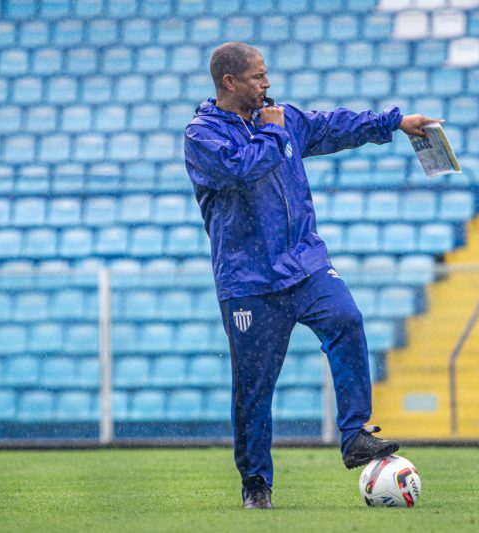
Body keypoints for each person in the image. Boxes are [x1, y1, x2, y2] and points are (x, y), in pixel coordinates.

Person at [183, 41, 438, 509]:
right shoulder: (202, 135)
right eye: (258, 76)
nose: (267, 84)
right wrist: (273, 132)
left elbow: (332, 125)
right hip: (249, 281)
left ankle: (355, 435)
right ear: (229, 82)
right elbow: (241, 170)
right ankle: (256, 484)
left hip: (304, 264)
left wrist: (395, 123)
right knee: (254, 390)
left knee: (346, 320)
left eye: (266, 74)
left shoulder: (281, 118)